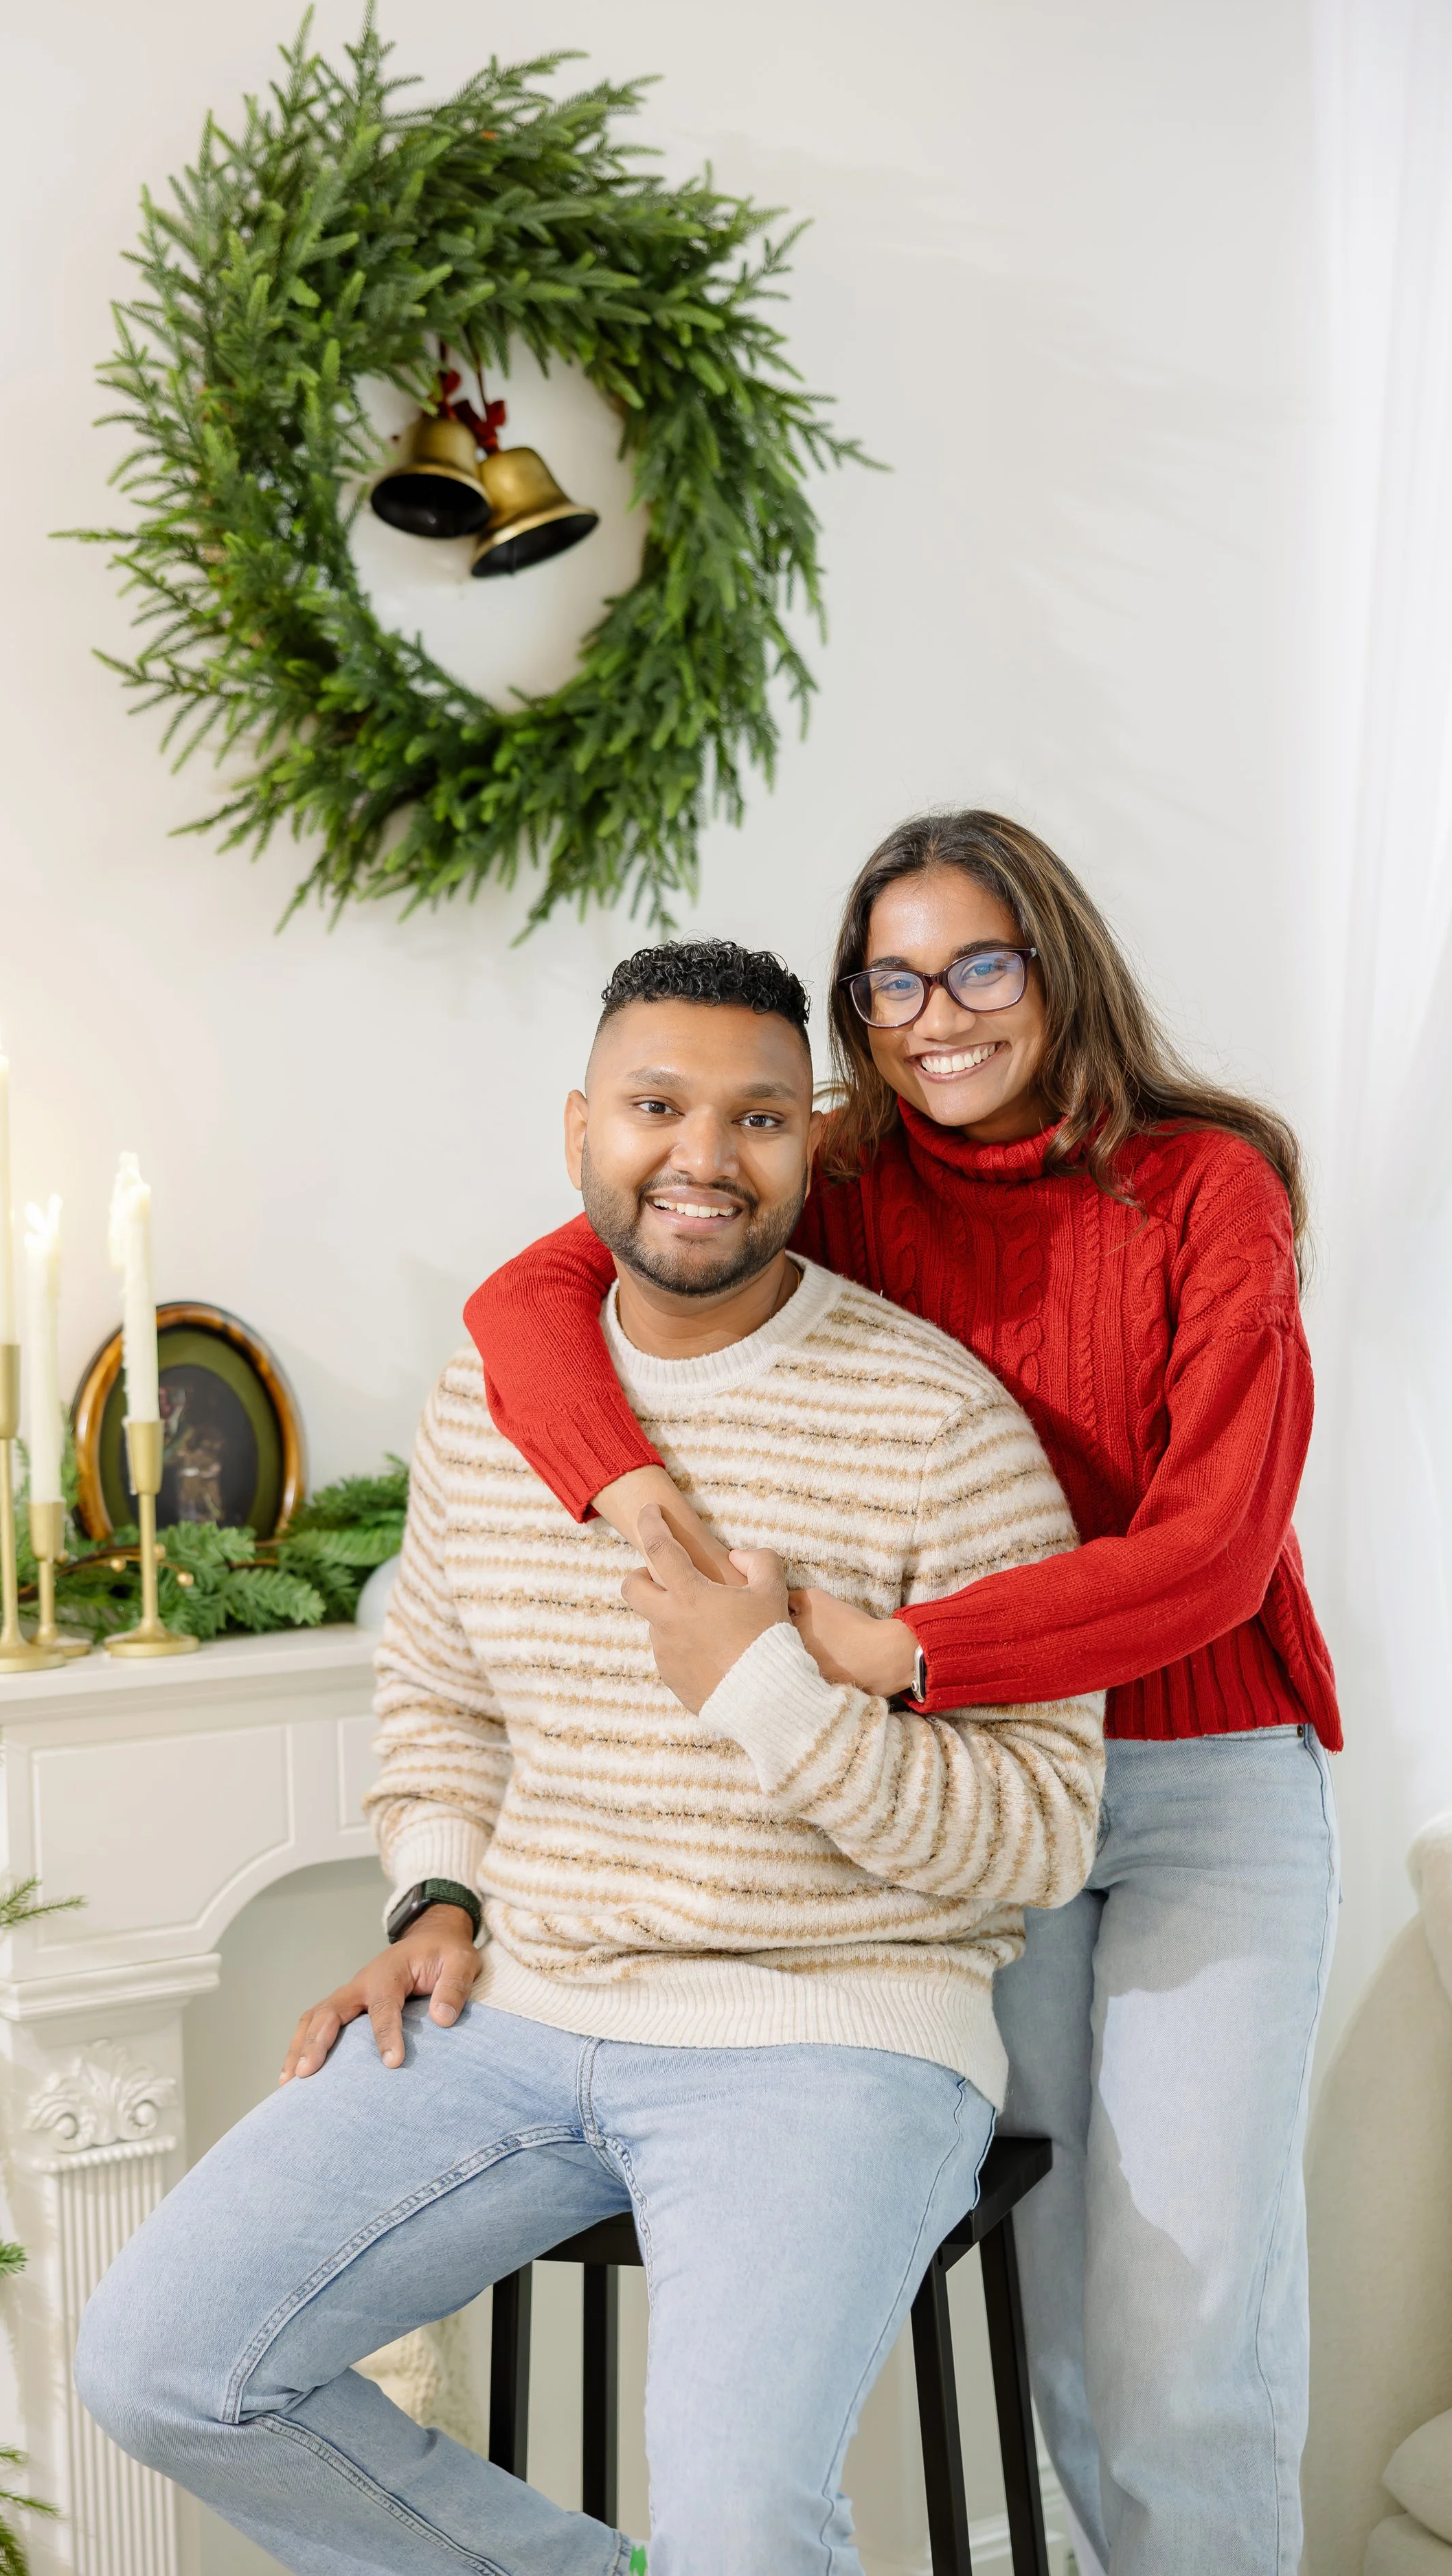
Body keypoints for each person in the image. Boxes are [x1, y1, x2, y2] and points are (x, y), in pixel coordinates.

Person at [74, 938, 1105, 2576]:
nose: (702, 1157)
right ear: (579, 1134)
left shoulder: (937, 1424)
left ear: (808, 1148)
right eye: (655, 1106)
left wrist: (767, 1690)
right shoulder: (490, 1395)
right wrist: (433, 1898)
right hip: (526, 2000)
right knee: (161, 2364)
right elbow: (439, 1691)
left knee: (745, 2527)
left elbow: (1043, 1834)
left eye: (757, 1119)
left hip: (829, 2026)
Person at [463, 813, 1343, 2576]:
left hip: (1196, 1780)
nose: (935, 1016)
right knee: (1059, 2315)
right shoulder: (842, 1173)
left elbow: (1214, 1555)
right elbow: (526, 1299)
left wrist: (906, 1649)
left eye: (978, 967)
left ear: (1055, 966)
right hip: (981, 1808)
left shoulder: (1200, 1183)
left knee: (1183, 2324)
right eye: (890, 983)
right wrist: (621, 1491)